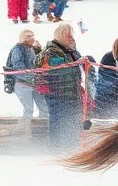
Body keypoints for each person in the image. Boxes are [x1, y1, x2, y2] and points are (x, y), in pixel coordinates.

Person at [35, 22, 89, 151]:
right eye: (69, 36)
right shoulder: (51, 52)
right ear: (62, 36)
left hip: (71, 93)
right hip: (56, 93)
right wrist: (76, 63)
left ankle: (70, 146)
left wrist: (79, 56)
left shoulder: (69, 50)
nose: (71, 38)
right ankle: (55, 148)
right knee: (58, 120)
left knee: (71, 120)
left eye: (72, 36)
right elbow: (57, 70)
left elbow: (75, 61)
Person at [4, 29, 43, 118]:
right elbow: (18, 68)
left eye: (33, 36)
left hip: (34, 82)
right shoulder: (18, 49)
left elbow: (36, 62)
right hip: (22, 84)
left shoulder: (31, 49)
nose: (32, 38)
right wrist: (32, 76)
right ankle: (26, 130)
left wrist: (39, 50)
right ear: (23, 38)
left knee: (43, 107)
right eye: (29, 36)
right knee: (29, 109)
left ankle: (43, 128)